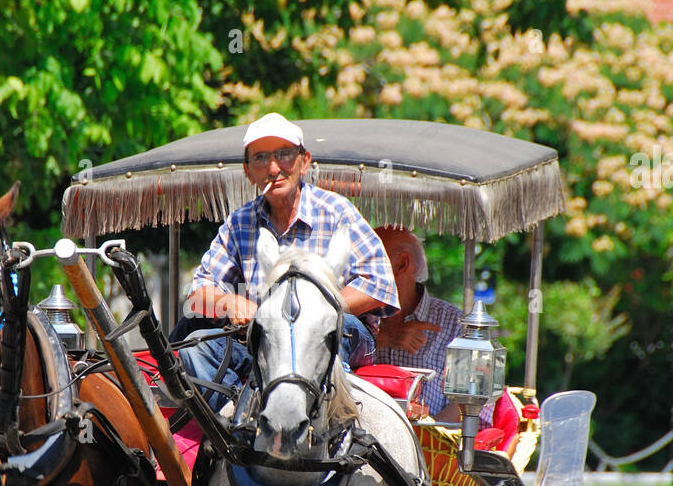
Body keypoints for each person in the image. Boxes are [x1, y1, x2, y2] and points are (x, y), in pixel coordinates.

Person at [175, 113, 400, 411]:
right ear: (247, 171)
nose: (273, 168)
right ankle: (239, 430)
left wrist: (316, 311)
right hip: (264, 342)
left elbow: (380, 285)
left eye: (284, 155)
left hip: (341, 332)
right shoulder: (239, 223)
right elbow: (198, 295)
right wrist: (229, 303)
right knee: (197, 347)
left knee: (335, 329)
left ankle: (331, 423)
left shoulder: (336, 212)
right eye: (260, 158)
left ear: (304, 162)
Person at [373, 226, 473, 423]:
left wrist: (424, 439)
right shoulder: (355, 316)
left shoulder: (455, 325)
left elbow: (469, 401)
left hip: (429, 448)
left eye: (372, 260)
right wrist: (384, 337)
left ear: (402, 263)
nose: (360, 269)